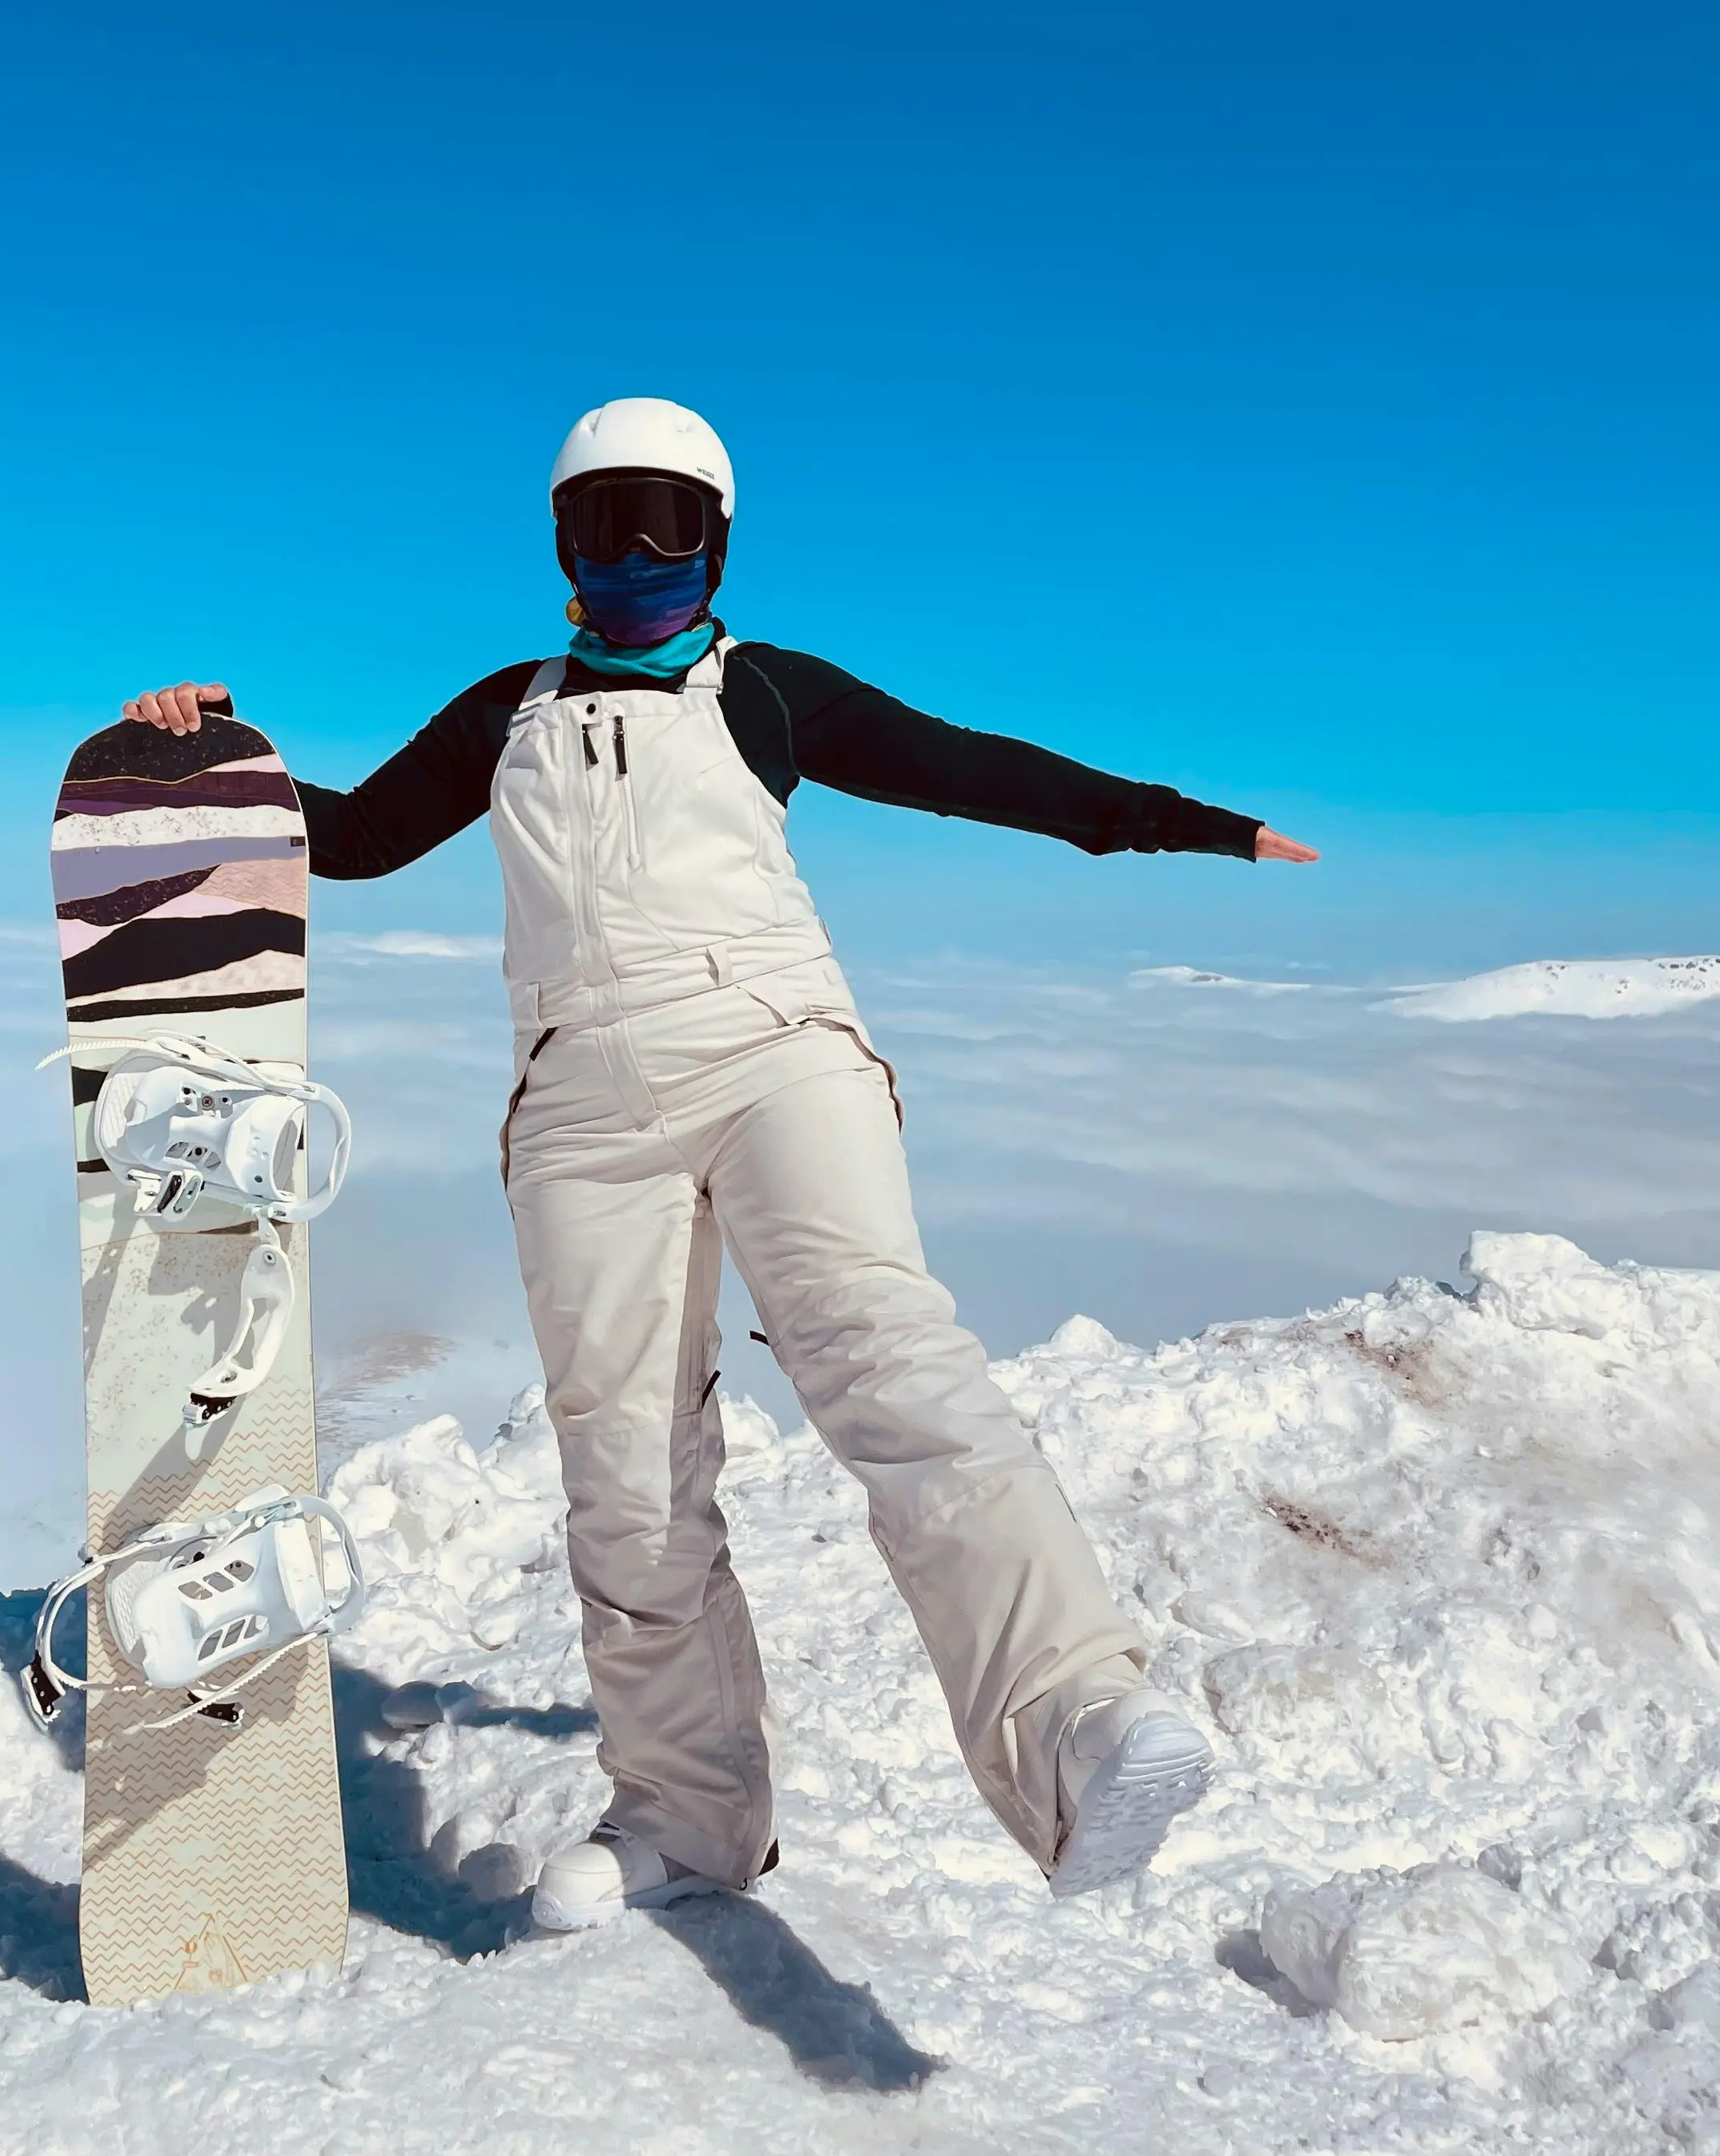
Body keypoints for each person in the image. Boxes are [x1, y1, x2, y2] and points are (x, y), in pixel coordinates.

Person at [124, 397, 1317, 1929]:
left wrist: (1193, 828)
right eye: (600, 519)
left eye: (665, 519)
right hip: (576, 1108)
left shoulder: (770, 694)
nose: (632, 550)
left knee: (885, 1362)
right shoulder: (507, 714)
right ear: (558, 541)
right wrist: (215, 759)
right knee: (621, 1472)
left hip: (774, 1050)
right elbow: (353, 841)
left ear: (717, 540)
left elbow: (987, 774)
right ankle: (688, 1823)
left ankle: (1082, 1725)